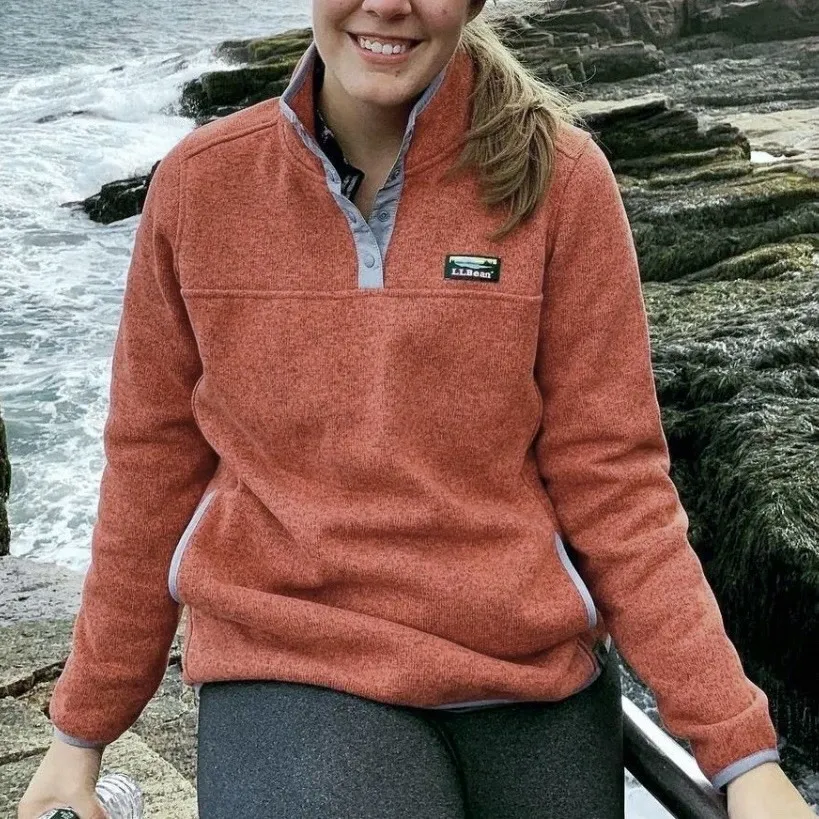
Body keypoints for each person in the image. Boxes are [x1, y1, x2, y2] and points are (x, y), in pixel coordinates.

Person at [17, 1, 816, 818]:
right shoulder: (201, 185)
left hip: (531, 672)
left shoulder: (562, 180)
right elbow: (151, 470)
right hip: (294, 659)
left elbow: (615, 485)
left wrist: (741, 755)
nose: (389, 4)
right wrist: (82, 731)